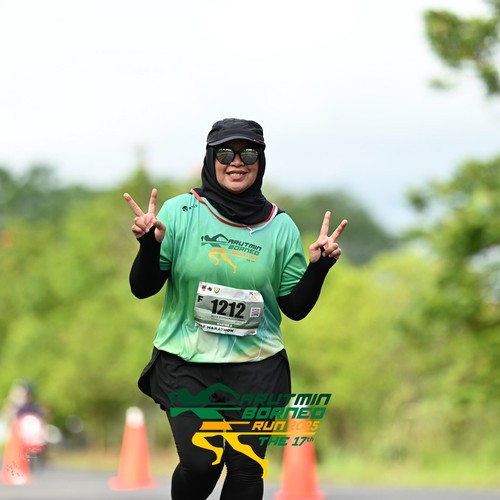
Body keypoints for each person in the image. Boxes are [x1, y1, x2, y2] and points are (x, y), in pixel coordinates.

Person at [124, 118, 348, 500]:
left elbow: (295, 308)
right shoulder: (179, 213)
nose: (237, 162)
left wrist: (319, 268)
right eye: (226, 153)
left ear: (261, 161)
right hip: (186, 361)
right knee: (202, 463)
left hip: (257, 367)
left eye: (249, 153)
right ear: (211, 159)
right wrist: (148, 245)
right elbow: (143, 288)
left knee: (246, 470)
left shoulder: (280, 227)